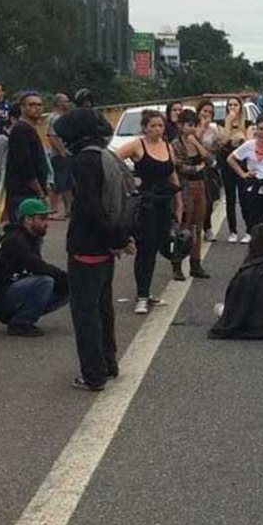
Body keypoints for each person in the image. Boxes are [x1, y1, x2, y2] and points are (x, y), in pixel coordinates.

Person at [56, 107, 133, 392]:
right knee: (103, 309)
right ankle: (109, 363)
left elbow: (90, 207)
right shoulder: (107, 156)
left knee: (86, 313)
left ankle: (93, 374)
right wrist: (119, 239)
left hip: (86, 246)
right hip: (105, 249)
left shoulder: (82, 162)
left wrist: (113, 239)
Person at [115, 110, 183, 314]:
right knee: (145, 248)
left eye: (160, 126)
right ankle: (142, 295)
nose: (157, 129)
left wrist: (179, 202)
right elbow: (113, 159)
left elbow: (172, 174)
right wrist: (130, 179)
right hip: (146, 205)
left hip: (164, 203)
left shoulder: (167, 146)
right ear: (145, 127)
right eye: (153, 126)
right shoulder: (138, 145)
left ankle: (146, 291)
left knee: (161, 245)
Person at [0, 198, 70, 337]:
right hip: (3, 294)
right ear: (28, 219)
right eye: (42, 218)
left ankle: (22, 315)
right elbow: (38, 267)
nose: (47, 223)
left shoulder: (32, 237)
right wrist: (68, 278)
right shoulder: (15, 240)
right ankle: (20, 322)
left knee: (67, 289)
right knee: (45, 281)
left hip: (16, 285)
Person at [171, 109, 211, 280]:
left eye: (194, 125)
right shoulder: (175, 144)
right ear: (180, 125)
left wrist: (197, 144)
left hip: (201, 186)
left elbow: (210, 160)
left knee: (197, 227)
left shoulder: (196, 141)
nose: (192, 128)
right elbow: (179, 167)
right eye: (189, 125)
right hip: (185, 188)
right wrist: (197, 168)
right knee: (183, 227)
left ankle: (196, 263)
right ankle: (177, 264)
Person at [5, 92, 50, 223]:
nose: (36, 108)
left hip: (30, 193)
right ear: (22, 107)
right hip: (23, 194)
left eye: (39, 105)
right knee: (24, 230)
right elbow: (25, 165)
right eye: (32, 104)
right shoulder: (20, 130)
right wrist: (40, 192)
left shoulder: (30, 129)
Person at [217, 97, 250, 243]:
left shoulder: (248, 123)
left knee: (244, 197)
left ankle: (249, 230)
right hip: (226, 163)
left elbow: (248, 143)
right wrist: (228, 123)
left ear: (240, 107)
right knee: (230, 197)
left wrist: (241, 139)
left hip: (242, 164)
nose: (232, 107)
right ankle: (232, 230)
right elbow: (223, 141)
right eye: (230, 105)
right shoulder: (221, 124)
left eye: (235, 105)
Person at [196, 100, 223, 243]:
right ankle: (197, 227)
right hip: (197, 166)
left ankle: (207, 227)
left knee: (210, 199)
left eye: (210, 112)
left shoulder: (214, 130)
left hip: (210, 168)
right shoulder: (193, 127)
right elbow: (194, 141)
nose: (206, 114)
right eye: (204, 111)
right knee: (199, 200)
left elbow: (218, 147)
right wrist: (201, 126)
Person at [47, 92, 74, 219]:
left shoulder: (64, 117)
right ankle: (59, 211)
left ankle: (69, 210)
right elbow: (52, 137)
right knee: (61, 184)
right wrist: (62, 152)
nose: (68, 103)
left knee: (68, 184)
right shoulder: (54, 118)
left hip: (67, 153)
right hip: (59, 155)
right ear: (58, 103)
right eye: (65, 101)